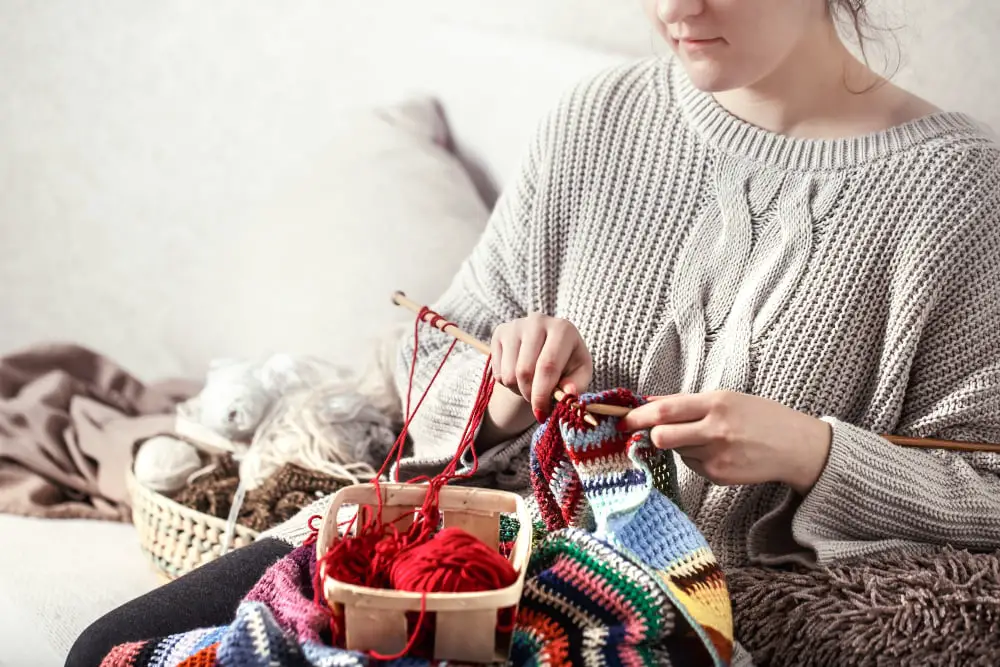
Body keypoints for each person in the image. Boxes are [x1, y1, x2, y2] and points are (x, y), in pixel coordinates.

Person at [67, 0, 1000, 665]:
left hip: (682, 609)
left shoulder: (957, 194)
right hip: (461, 547)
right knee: (104, 653)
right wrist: (510, 380)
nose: (674, 7)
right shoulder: (600, 119)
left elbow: (986, 485)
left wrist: (811, 451)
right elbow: (431, 357)